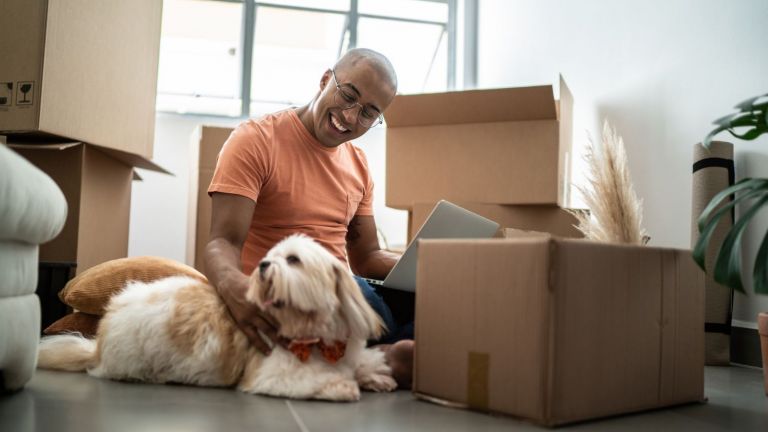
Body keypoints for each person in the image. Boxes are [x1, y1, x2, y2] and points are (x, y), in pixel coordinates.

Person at [203, 48, 414, 387]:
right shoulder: (255, 140)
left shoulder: (358, 164)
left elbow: (367, 257)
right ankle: (380, 358)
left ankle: (379, 355)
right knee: (359, 294)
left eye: (368, 113)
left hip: (342, 295)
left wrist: (426, 267)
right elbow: (222, 242)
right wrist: (233, 287)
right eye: (348, 96)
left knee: (426, 304)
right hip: (288, 294)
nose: (349, 117)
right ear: (325, 80)